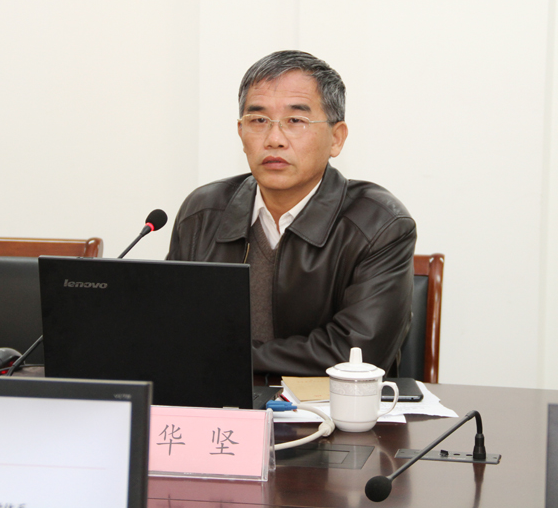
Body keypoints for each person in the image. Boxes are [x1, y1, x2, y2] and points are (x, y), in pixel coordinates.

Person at [167, 50, 416, 377]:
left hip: (330, 408)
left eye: (295, 121)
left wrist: (223, 353)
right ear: (241, 133)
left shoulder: (379, 224)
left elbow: (356, 353)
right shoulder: (202, 213)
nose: (274, 139)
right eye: (258, 121)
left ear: (336, 138)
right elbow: (170, 327)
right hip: (218, 402)